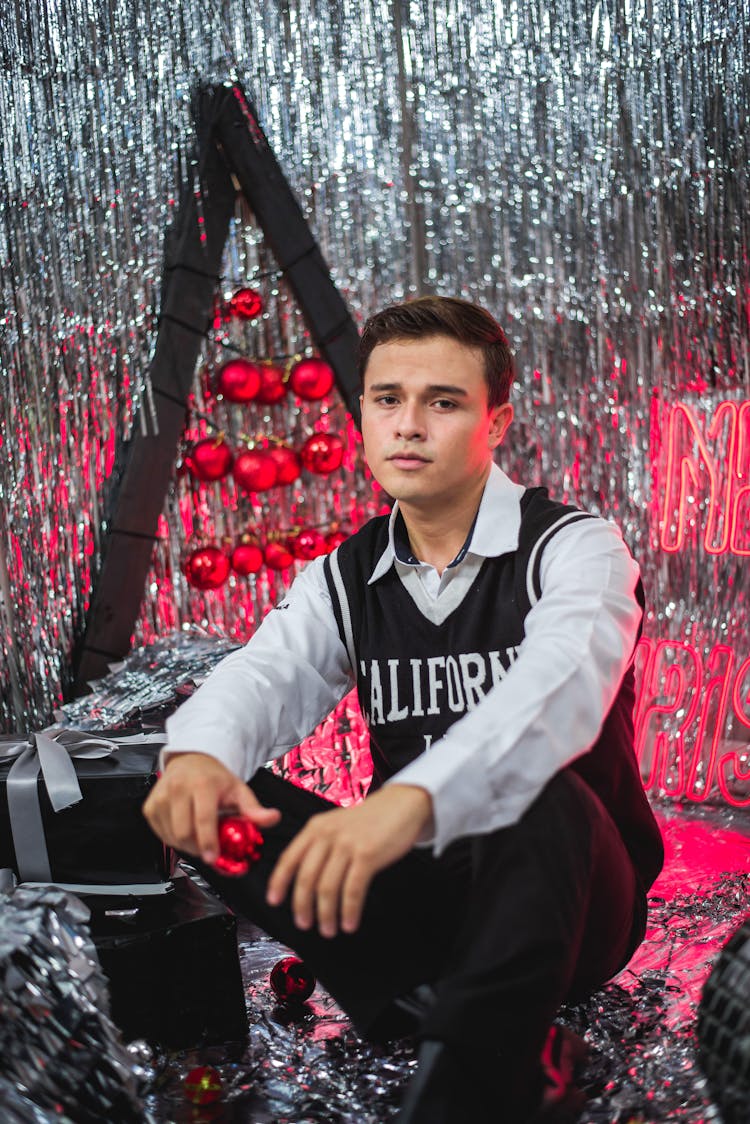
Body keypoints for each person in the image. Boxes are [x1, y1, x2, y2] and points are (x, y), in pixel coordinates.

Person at [144, 296, 664, 1123]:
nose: (409, 425)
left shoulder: (574, 548)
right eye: (388, 399)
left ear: (497, 422)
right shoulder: (345, 576)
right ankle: (454, 1015)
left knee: (542, 790)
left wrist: (408, 802)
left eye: (443, 401)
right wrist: (200, 757)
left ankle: (465, 1075)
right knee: (214, 801)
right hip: (427, 901)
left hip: (572, 908)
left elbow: (558, 691)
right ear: (362, 416)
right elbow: (261, 678)